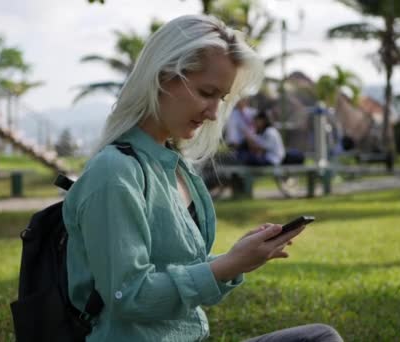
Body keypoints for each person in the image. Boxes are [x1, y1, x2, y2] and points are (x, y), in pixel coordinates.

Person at [62, 14, 342, 342]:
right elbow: (130, 296)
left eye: (220, 99)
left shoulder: (173, 166)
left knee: (320, 337)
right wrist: (228, 265)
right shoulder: (115, 173)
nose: (212, 113)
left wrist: (236, 259)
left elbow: (177, 272)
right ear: (162, 76)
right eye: (206, 92)